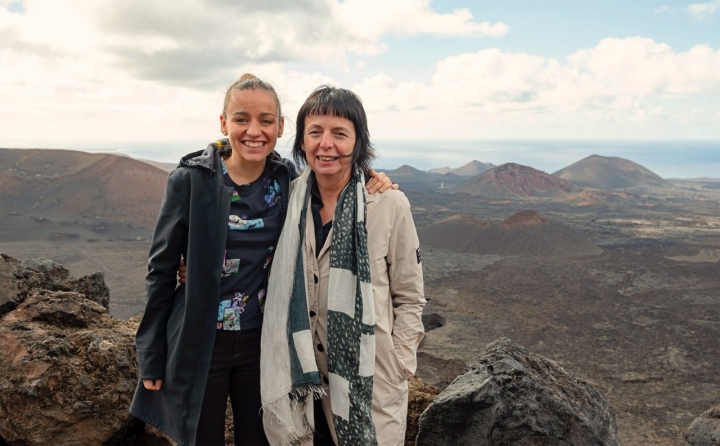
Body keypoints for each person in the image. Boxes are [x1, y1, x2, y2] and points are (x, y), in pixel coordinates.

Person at [129, 74, 395, 446]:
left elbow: (333, 177)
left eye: (266, 121)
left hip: (264, 344)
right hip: (202, 342)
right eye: (241, 119)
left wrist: (371, 177)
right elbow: (160, 271)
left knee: (261, 440)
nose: (254, 131)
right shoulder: (191, 181)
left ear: (281, 127)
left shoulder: (286, 180)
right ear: (223, 123)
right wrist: (150, 353)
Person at [260, 86, 425, 446]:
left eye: (339, 133)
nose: (326, 144)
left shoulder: (388, 204)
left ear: (358, 141)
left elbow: (410, 297)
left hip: (370, 380)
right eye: (315, 132)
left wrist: (400, 364)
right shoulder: (288, 198)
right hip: (301, 381)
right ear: (301, 142)